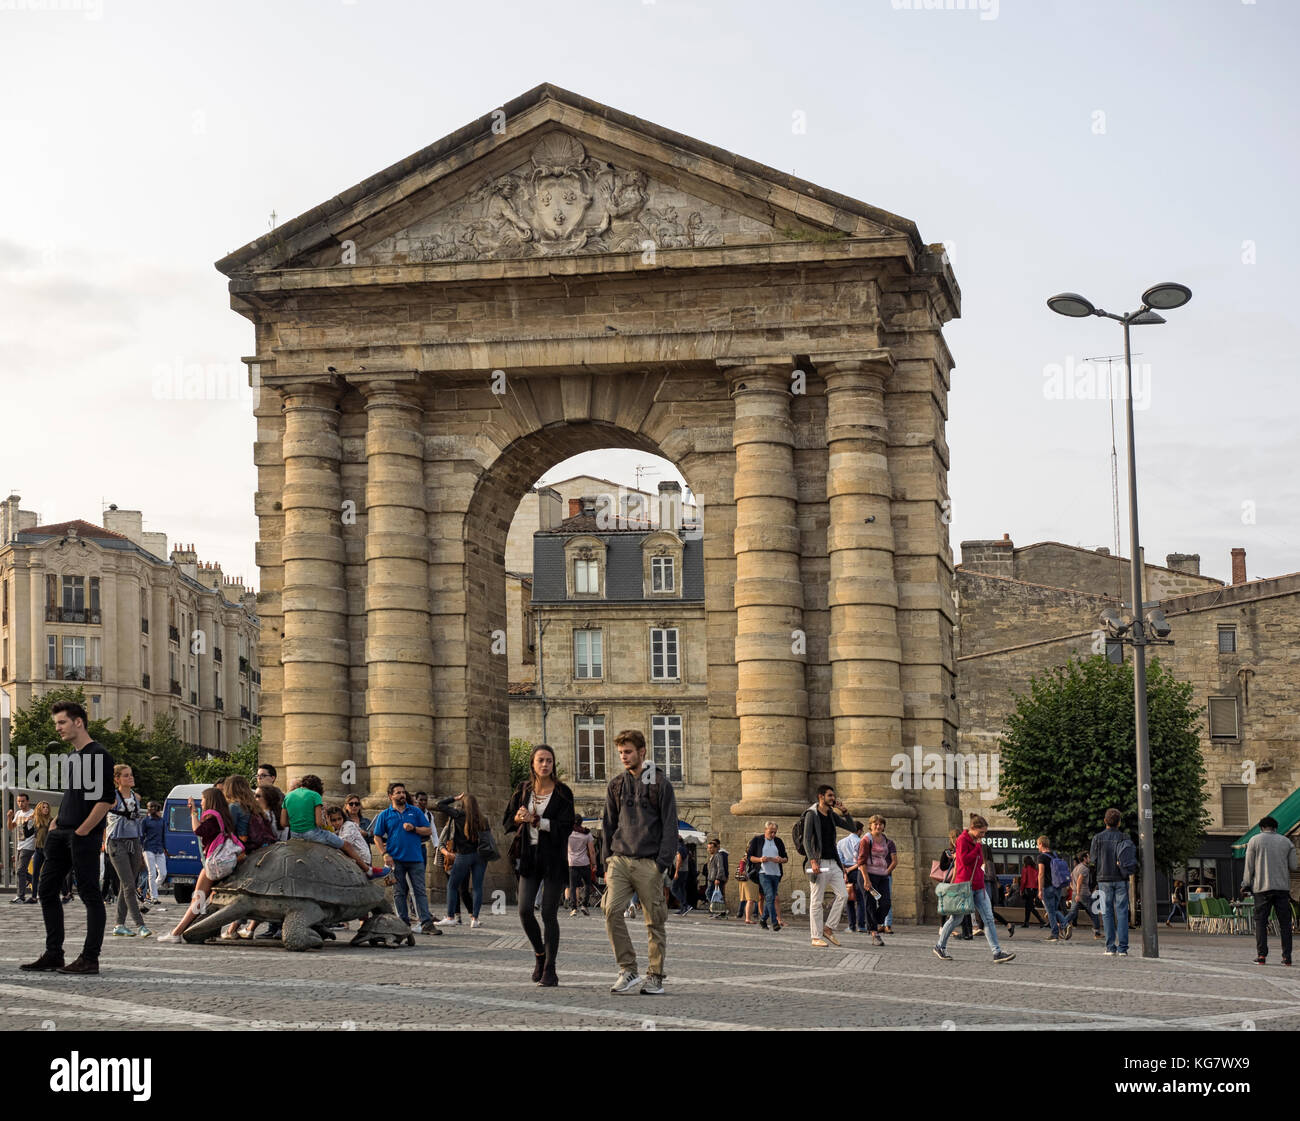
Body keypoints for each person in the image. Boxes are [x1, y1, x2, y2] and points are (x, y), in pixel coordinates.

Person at [22, 702, 115, 974]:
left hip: (81, 836)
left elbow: (106, 799)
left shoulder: (98, 754)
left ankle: (90, 959)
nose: (58, 728)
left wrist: (83, 830)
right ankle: (54, 954)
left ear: (78, 722)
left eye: (61, 723)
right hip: (61, 832)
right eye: (56, 724)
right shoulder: (73, 757)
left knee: (90, 894)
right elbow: (73, 795)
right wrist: (56, 821)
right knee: (46, 889)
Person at [602, 728, 678, 996]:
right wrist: (607, 860)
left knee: (654, 921)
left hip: (649, 862)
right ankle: (628, 969)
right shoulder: (616, 785)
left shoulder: (660, 784)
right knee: (611, 911)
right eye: (621, 752)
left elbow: (671, 827)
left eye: (628, 752)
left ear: (642, 752)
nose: (624, 756)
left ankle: (655, 975)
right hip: (620, 859)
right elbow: (608, 824)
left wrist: (661, 864)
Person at [504, 744, 575, 986]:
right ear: (533, 764)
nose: (545, 764)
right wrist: (518, 818)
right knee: (524, 910)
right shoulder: (523, 790)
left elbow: (565, 827)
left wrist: (536, 820)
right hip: (529, 855)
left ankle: (550, 968)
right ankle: (539, 954)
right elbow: (508, 820)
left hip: (554, 857)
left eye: (549, 761)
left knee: (548, 913)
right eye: (541, 760)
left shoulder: (563, 793)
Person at [155, 787, 245, 943]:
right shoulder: (225, 817)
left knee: (198, 900)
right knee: (203, 899)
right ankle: (193, 929)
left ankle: (177, 932)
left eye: (202, 800)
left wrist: (193, 813)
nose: (201, 803)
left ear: (209, 800)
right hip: (223, 863)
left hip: (213, 865)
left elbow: (198, 830)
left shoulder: (212, 818)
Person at [932, 814, 1016, 964]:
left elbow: (980, 862)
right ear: (972, 829)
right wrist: (977, 847)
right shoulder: (962, 840)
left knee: (989, 918)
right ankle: (940, 946)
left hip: (979, 885)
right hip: (965, 886)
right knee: (955, 919)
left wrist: (978, 849)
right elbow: (964, 860)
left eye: (984, 833)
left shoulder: (976, 842)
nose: (983, 836)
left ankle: (997, 952)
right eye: (981, 832)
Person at [282, 775, 386, 878]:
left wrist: (298, 824)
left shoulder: (288, 796)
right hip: (312, 834)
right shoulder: (314, 795)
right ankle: (368, 870)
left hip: (294, 835)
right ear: (316, 789)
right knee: (346, 845)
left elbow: (283, 823)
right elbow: (319, 823)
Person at [372, 782, 438, 935]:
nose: (402, 795)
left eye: (403, 792)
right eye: (398, 792)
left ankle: (426, 923)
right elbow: (377, 837)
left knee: (420, 891)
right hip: (396, 860)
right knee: (399, 892)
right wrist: (384, 854)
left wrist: (414, 828)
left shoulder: (415, 811)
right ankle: (403, 923)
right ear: (391, 796)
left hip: (415, 859)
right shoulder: (385, 815)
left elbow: (428, 830)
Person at [801, 784, 858, 948]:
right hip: (818, 862)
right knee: (816, 900)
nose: (833, 799)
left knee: (843, 895)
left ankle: (828, 928)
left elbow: (852, 828)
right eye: (830, 796)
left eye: (833, 796)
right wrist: (812, 859)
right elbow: (806, 839)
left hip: (833, 862)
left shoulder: (832, 815)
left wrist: (845, 812)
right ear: (821, 797)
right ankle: (815, 936)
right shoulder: (812, 814)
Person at [1241, 815, 1297, 966]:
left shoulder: (1254, 840)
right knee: (1285, 924)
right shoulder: (1287, 842)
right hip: (1282, 888)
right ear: (1275, 828)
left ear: (1261, 828)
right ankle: (1287, 957)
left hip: (1261, 888)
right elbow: (1294, 866)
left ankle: (1261, 955)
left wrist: (1245, 883)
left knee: (1260, 922)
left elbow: (1249, 866)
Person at [105, 765, 150, 938]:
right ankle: (140, 925)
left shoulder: (136, 797)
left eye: (131, 775)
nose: (130, 778)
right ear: (117, 779)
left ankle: (119, 924)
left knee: (128, 884)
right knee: (129, 884)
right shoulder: (112, 798)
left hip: (134, 841)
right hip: (117, 842)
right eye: (126, 776)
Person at [435, 791, 490, 928]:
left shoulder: (458, 815)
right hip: (480, 856)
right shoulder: (483, 819)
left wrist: (454, 798)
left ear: (462, 804)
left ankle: (450, 916)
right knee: (477, 887)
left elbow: (439, 804)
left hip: (463, 855)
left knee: (452, 885)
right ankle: (475, 919)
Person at [1090, 807, 1133, 957]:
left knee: (1106, 913)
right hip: (1121, 878)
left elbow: (1093, 860)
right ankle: (1123, 948)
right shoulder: (1124, 837)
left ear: (1105, 821)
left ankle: (1110, 947)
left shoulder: (1097, 838)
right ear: (1119, 822)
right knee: (1121, 912)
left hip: (1104, 879)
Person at [858, 814, 897, 946]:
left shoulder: (885, 839)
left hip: (882, 875)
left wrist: (886, 871)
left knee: (886, 902)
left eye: (880, 824)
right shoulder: (866, 839)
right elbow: (861, 861)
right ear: (870, 826)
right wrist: (866, 880)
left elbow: (891, 859)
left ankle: (875, 921)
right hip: (868, 875)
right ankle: (874, 932)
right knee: (870, 903)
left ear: (884, 826)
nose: (878, 826)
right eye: (875, 824)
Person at [747, 821, 787, 931]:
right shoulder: (757, 840)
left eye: (775, 832)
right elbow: (750, 857)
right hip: (763, 872)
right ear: (765, 830)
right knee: (769, 896)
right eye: (771, 832)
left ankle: (763, 919)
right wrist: (760, 859)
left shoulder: (778, 841)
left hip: (776, 873)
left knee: (771, 898)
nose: (773, 834)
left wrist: (780, 859)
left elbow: (785, 858)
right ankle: (774, 922)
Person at [938, 829, 973, 940]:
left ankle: (966, 931)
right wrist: (951, 861)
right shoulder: (947, 852)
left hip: (957, 881)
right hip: (955, 881)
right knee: (956, 906)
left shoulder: (962, 850)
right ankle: (965, 931)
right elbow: (942, 866)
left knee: (959, 906)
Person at [1035, 835, 1071, 942]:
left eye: (1038, 845)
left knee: (1050, 912)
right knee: (1054, 910)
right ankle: (1064, 926)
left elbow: (1041, 874)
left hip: (1047, 887)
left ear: (1041, 844)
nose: (1038, 847)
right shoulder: (1055, 855)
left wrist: (1040, 889)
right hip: (1058, 887)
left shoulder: (1041, 857)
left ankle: (1057, 932)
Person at [8, 791, 37, 903]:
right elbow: (11, 827)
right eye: (19, 801)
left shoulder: (33, 813)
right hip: (20, 846)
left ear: (28, 801)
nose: (21, 803)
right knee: (21, 871)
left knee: (20, 871)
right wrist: (10, 817)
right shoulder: (18, 813)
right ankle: (38, 883)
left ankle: (21, 896)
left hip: (29, 846)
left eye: (23, 801)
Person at [838, 822, 867, 933]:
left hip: (845, 871)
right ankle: (861, 925)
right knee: (860, 899)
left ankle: (851, 926)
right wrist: (851, 869)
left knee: (849, 898)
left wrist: (845, 872)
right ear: (859, 830)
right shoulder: (861, 842)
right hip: (858, 870)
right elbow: (862, 860)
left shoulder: (841, 842)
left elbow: (840, 860)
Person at [1065, 852, 1100, 938]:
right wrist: (1078, 893)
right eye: (1088, 857)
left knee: (1073, 912)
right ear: (1084, 858)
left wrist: (1074, 889)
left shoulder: (1076, 867)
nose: (1089, 859)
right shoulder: (1084, 868)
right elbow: (1079, 880)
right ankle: (1097, 933)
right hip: (1083, 894)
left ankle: (1061, 924)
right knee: (1094, 912)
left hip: (1075, 894)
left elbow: (1070, 878)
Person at [567, 818, 597, 916]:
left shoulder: (568, 833)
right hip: (584, 862)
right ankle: (584, 905)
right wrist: (594, 864)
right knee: (587, 884)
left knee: (572, 886)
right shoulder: (586, 833)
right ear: (581, 822)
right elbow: (592, 851)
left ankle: (574, 908)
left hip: (572, 863)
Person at [141, 801, 167, 907]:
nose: (151, 808)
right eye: (149, 807)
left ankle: (150, 890)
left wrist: (165, 848)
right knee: (152, 873)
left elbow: (163, 835)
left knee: (163, 873)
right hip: (148, 848)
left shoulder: (162, 821)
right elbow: (141, 836)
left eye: (153, 807)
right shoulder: (145, 821)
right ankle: (154, 897)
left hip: (159, 849)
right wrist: (140, 850)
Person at [28, 801, 53, 905]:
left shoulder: (51, 821)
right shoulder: (36, 822)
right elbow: (27, 834)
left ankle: (65, 894)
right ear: (39, 809)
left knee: (48, 874)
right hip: (38, 850)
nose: (46, 809)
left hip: (48, 850)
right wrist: (26, 823)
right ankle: (34, 897)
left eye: (47, 807)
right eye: (43, 807)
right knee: (35, 874)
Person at [705, 838, 728, 918]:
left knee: (711, 894)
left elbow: (720, 868)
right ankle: (719, 911)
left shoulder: (718, 856)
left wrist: (718, 878)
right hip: (711, 879)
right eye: (708, 848)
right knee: (717, 896)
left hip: (716, 879)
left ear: (715, 848)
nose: (709, 849)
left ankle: (718, 910)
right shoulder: (713, 856)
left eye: (711, 848)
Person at [670, 836, 693, 916]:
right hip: (685, 871)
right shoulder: (684, 847)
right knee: (682, 889)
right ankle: (683, 909)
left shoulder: (679, 848)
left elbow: (679, 860)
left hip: (680, 871)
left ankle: (686, 905)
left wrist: (676, 872)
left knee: (673, 888)